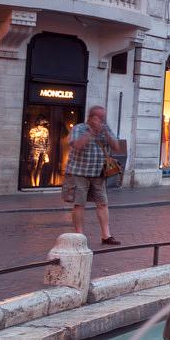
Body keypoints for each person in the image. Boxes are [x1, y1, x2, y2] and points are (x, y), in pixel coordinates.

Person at [64, 105, 122, 245]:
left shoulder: (106, 129)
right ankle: (79, 236)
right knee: (79, 205)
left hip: (98, 173)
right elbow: (77, 145)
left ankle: (106, 235)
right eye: (99, 117)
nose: (102, 120)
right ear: (90, 117)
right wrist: (91, 132)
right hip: (79, 172)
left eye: (103, 118)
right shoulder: (79, 128)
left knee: (102, 203)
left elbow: (116, 146)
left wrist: (106, 134)